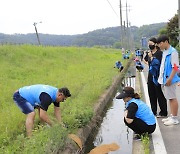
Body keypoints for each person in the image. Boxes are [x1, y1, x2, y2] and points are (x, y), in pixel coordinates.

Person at [157, 35, 180, 126]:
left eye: (160, 43)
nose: (159, 45)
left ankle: (174, 118)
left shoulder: (173, 52)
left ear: (166, 41)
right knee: (169, 98)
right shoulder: (165, 52)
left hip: (170, 79)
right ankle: (172, 116)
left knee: (172, 97)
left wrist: (170, 78)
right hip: (164, 79)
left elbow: (175, 67)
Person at [144, 37, 167, 117]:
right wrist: (148, 61)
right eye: (149, 44)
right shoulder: (149, 53)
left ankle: (163, 112)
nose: (150, 45)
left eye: (151, 44)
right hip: (150, 76)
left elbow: (160, 64)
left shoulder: (160, 53)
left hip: (157, 76)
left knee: (159, 94)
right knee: (151, 94)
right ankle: (153, 111)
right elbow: (145, 60)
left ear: (155, 44)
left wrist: (151, 58)